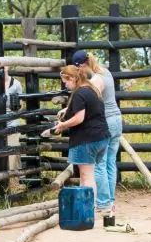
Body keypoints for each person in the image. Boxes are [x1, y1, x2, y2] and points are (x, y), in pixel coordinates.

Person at [71, 50, 122, 213]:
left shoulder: (97, 79)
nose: (78, 73)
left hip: (105, 121)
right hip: (116, 119)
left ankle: (103, 202)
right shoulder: (105, 71)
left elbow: (90, 98)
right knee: (110, 163)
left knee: (99, 163)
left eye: (78, 69)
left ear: (83, 65)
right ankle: (110, 200)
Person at [52, 65, 110, 201]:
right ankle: (89, 206)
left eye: (65, 82)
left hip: (86, 139)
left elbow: (79, 118)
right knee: (91, 174)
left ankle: (89, 208)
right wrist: (67, 111)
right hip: (101, 137)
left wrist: (62, 125)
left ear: (72, 78)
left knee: (86, 176)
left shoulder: (79, 93)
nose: (65, 85)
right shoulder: (91, 89)